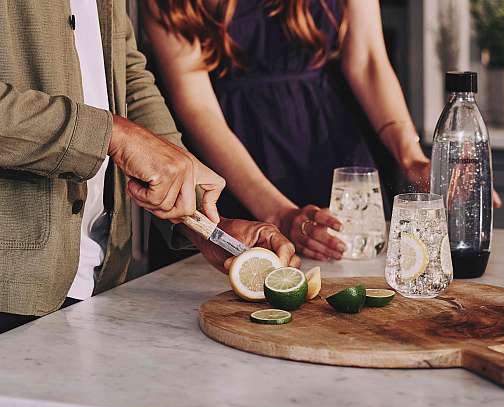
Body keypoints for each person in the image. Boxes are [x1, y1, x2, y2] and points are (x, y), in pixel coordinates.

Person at [0, 0, 298, 334]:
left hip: (103, 275)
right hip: (11, 287)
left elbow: (128, 75)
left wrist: (202, 217)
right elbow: (120, 130)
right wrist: (113, 135)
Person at [142, 0, 438, 263]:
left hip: (336, 162)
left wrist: (411, 157)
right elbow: (198, 108)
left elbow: (369, 60)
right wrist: (278, 214)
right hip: (237, 172)